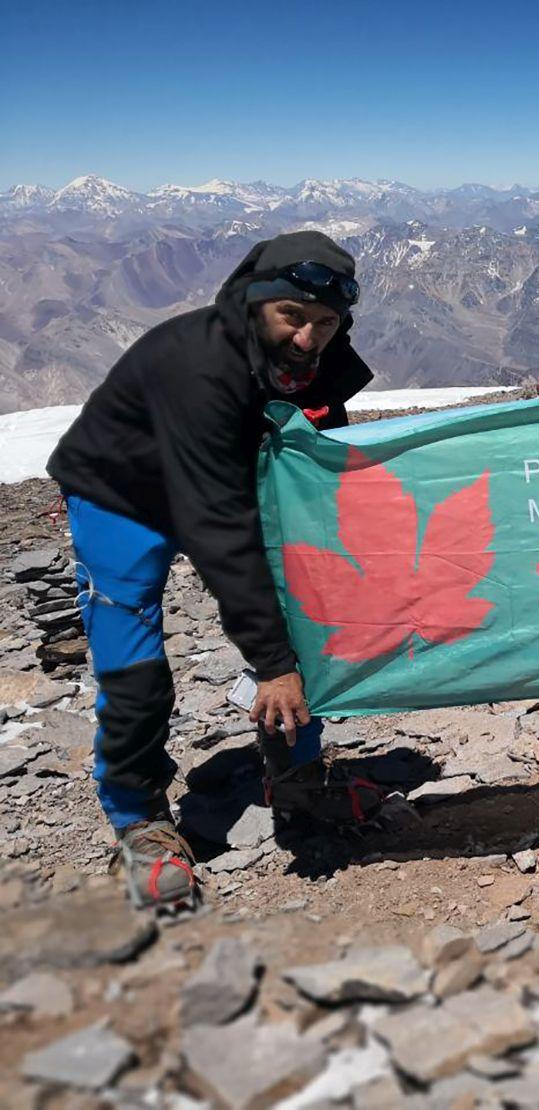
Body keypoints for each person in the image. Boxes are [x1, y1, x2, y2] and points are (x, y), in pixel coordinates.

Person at [48, 231, 385, 910]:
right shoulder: (197, 364)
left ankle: (294, 780)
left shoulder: (315, 356)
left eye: (325, 323)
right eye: (292, 316)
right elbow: (219, 532)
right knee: (134, 667)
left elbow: (318, 450)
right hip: (121, 494)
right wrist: (271, 664)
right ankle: (137, 817)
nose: (308, 337)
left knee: (304, 626)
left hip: (224, 486)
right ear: (254, 300)